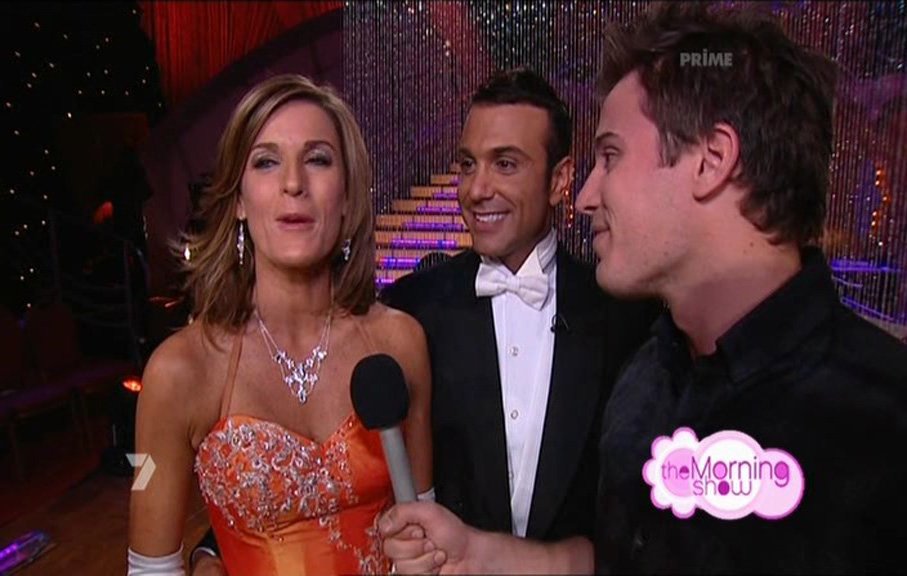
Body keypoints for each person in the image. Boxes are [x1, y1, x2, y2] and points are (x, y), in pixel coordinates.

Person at [379, 2, 907, 574]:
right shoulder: (646, 379)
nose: (586, 197)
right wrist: (481, 554)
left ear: (712, 160)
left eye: (611, 156)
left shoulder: (882, 418)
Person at [191, 66, 658, 574]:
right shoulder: (409, 312)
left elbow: (647, 525)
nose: (477, 189)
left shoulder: (628, 320)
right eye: (467, 164)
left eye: (505, 164)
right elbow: (306, 468)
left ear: (560, 179)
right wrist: (213, 552)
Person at [127, 73, 433, 576]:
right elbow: (151, 570)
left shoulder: (400, 342)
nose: (294, 183)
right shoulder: (178, 371)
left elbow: (427, 530)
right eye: (266, 162)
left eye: (318, 159)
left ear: (348, 195)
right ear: (239, 200)